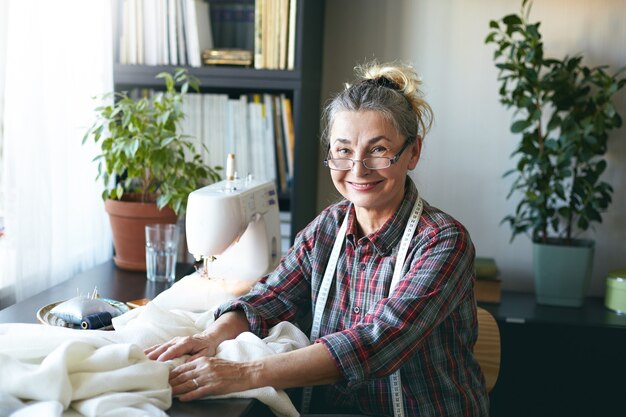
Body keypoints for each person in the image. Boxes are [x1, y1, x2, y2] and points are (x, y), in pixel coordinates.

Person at [145, 60, 488, 417]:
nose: (357, 168)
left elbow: (378, 341)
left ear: (412, 152)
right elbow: (268, 298)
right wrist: (209, 338)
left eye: (378, 150)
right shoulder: (328, 228)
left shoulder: (444, 242)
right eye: (343, 150)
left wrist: (241, 374)